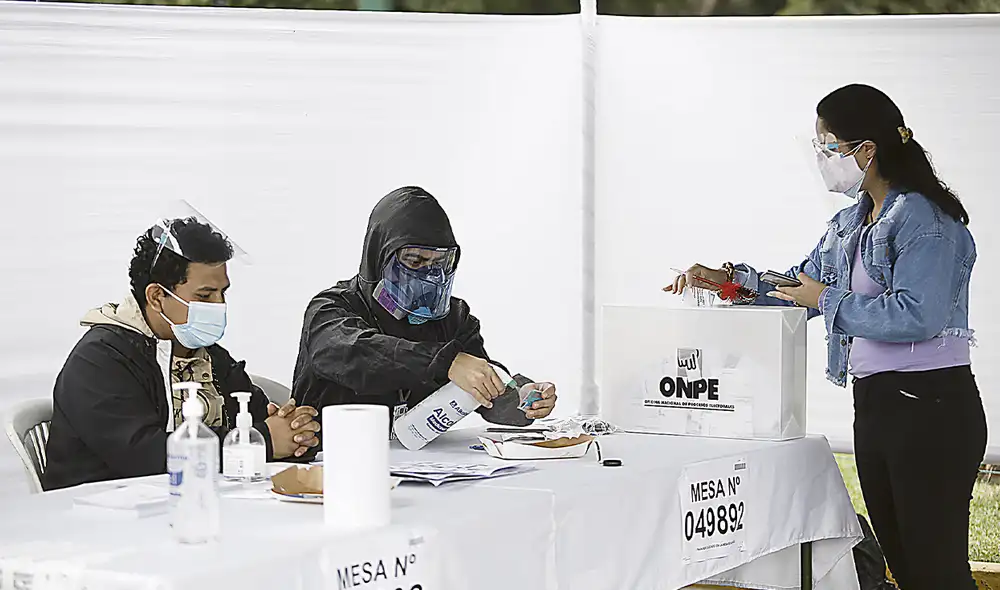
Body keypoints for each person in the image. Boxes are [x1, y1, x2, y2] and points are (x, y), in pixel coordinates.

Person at [666, 84, 985, 590]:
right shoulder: (851, 224)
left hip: (932, 408)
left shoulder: (925, 219)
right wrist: (728, 279)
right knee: (904, 564)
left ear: (866, 150)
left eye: (828, 145)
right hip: (879, 404)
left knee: (936, 569)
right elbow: (801, 286)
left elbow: (917, 316)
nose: (822, 158)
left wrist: (825, 300)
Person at [44, 217, 320, 491]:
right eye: (205, 295)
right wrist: (263, 440)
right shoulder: (99, 360)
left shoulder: (208, 356)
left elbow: (262, 419)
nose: (219, 305)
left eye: (223, 292)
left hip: (194, 504)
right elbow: (143, 456)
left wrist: (296, 433)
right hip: (100, 515)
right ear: (155, 296)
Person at [292, 186, 557, 433]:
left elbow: (482, 392)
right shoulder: (331, 310)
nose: (429, 274)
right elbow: (353, 352)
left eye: (439, 262)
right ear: (379, 256)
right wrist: (446, 362)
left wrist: (521, 398)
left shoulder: (454, 319)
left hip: (418, 466)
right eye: (414, 260)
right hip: (333, 462)